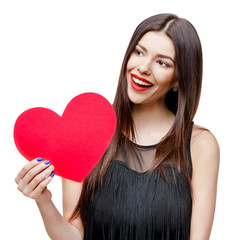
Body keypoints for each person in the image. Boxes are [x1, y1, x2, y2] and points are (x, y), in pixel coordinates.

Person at [15, 13, 220, 240]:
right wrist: (43, 200)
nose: (143, 67)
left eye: (162, 62)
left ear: (179, 79)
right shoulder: (86, 131)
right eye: (139, 52)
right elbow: (74, 235)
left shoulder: (200, 145)